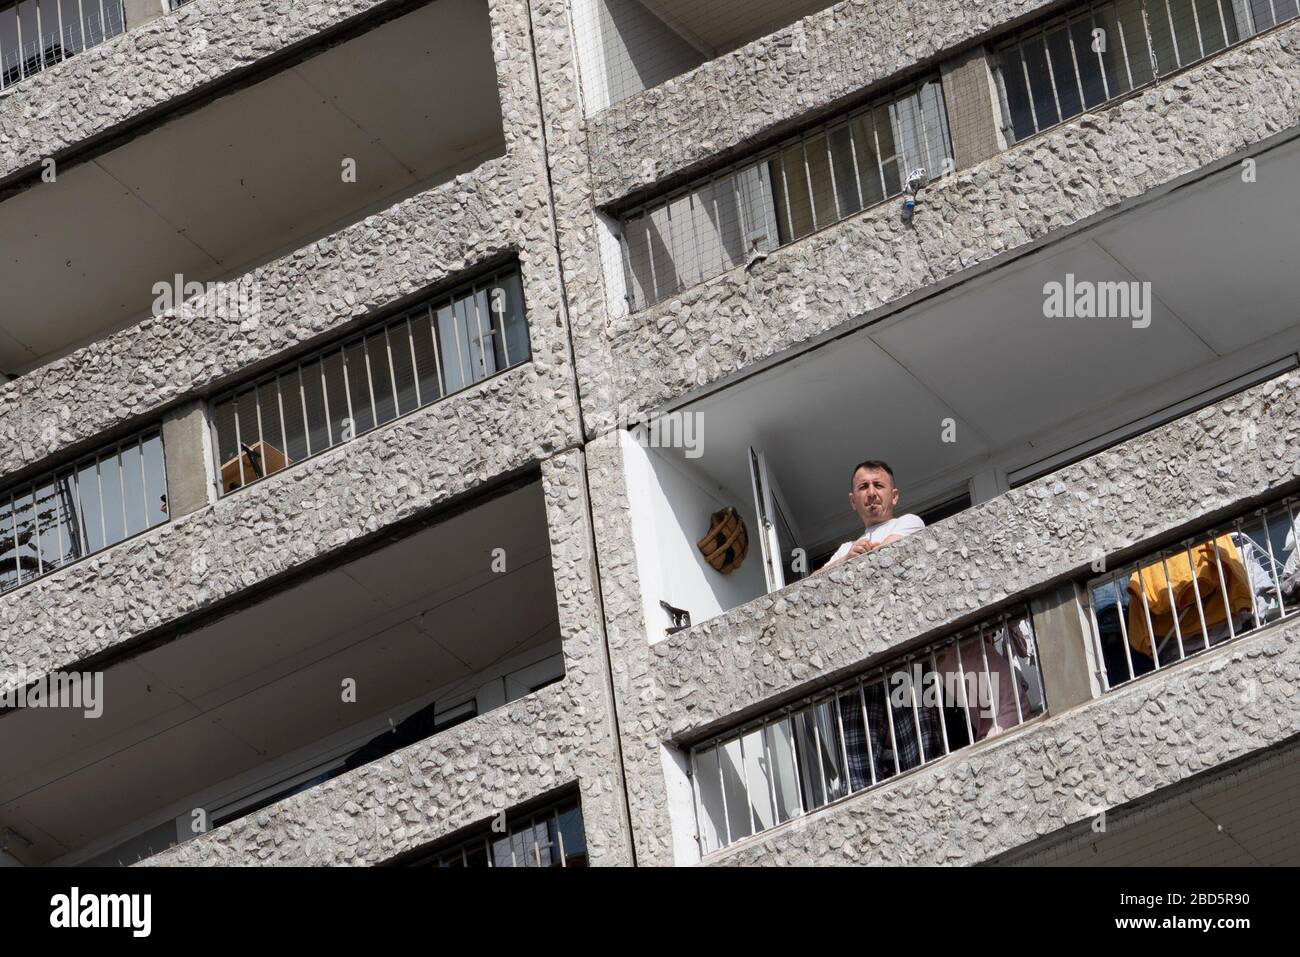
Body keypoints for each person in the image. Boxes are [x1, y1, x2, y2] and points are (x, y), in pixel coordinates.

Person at [819, 460, 925, 571]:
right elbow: (811, 582)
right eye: (863, 487)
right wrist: (845, 559)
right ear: (853, 501)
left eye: (878, 485)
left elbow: (883, 555)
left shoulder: (910, 521)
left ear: (894, 496)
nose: (871, 493)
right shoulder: (846, 549)